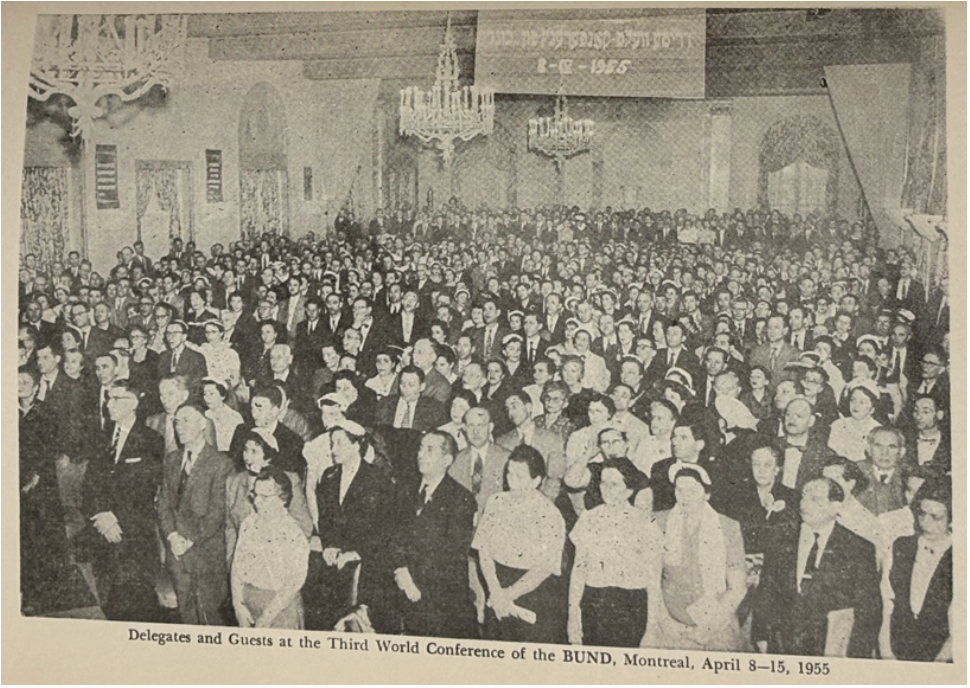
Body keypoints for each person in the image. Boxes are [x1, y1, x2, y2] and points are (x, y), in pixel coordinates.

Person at [754, 477, 881, 657]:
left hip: (832, 651)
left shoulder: (859, 549)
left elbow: (869, 609)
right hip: (783, 647)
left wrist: (854, 656)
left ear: (836, 506)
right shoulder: (781, 538)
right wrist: (762, 638)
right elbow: (766, 592)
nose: (804, 504)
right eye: (803, 497)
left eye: (815, 499)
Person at [80, 380, 164, 621]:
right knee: (105, 602)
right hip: (102, 528)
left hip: (132, 533)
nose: (109, 403)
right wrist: (103, 518)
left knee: (134, 604)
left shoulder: (151, 439)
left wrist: (116, 520)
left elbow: (144, 492)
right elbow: (89, 484)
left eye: (117, 398)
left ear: (134, 403)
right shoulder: (101, 435)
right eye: (108, 398)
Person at [473, 445, 567, 644]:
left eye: (519, 476)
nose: (511, 480)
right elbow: (484, 550)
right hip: (497, 584)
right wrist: (495, 591)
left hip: (531, 592)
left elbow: (544, 568)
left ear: (536, 481)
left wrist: (508, 596)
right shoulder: (495, 501)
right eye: (509, 473)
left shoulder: (549, 514)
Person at [391, 431, 477, 639]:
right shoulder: (405, 490)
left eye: (429, 450)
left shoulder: (461, 499)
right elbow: (393, 536)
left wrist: (413, 582)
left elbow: (450, 554)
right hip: (402, 587)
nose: (421, 454)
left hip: (440, 601)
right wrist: (401, 571)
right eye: (420, 448)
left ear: (447, 460)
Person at [568, 458, 662, 648]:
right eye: (603, 482)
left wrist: (651, 630)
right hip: (593, 603)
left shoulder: (645, 523)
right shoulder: (588, 518)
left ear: (629, 490)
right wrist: (573, 617)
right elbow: (578, 571)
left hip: (631, 606)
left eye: (614, 484)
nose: (606, 489)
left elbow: (653, 581)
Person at [653, 464, 747, 651]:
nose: (685, 496)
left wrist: (709, 628)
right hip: (671, 624)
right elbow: (650, 581)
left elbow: (738, 588)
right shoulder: (658, 522)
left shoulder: (727, 527)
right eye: (680, 490)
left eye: (693, 490)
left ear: (707, 494)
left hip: (718, 623)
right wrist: (664, 621)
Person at [315, 421, 398, 632]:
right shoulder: (329, 476)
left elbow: (385, 528)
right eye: (332, 443)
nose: (333, 450)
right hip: (335, 555)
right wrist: (330, 545)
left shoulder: (378, 479)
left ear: (356, 445)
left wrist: (357, 552)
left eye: (340, 443)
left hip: (367, 559)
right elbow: (325, 519)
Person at [156, 403, 234, 625]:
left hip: (205, 555)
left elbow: (217, 513)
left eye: (186, 420)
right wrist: (172, 537)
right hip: (177, 553)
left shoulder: (221, 463)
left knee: (210, 619)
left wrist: (189, 540)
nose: (180, 426)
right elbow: (163, 504)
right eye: (177, 421)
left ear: (202, 424)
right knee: (186, 616)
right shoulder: (171, 460)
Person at [881, 478, 953, 662]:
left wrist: (939, 664)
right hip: (897, 651)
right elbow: (887, 605)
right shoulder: (901, 546)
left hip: (942, 656)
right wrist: (887, 653)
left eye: (936, 517)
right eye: (922, 514)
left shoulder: (960, 555)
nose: (925, 523)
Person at [231, 466, 310, 629]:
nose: (257, 502)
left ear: (283, 499)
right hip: (247, 606)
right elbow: (237, 567)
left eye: (265, 497)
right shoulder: (249, 523)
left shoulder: (292, 532)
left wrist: (265, 619)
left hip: (279, 611)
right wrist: (238, 606)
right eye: (255, 495)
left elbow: (293, 583)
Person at [225, 431, 313, 565]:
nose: (247, 457)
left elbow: (304, 526)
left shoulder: (288, 480)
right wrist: (231, 561)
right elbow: (230, 527)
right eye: (246, 450)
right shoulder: (234, 482)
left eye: (254, 452)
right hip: (243, 559)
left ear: (268, 457)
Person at [828, 385, 882, 463]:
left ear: (872, 409)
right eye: (853, 400)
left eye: (862, 402)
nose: (856, 405)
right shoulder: (838, 425)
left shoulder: (878, 431)